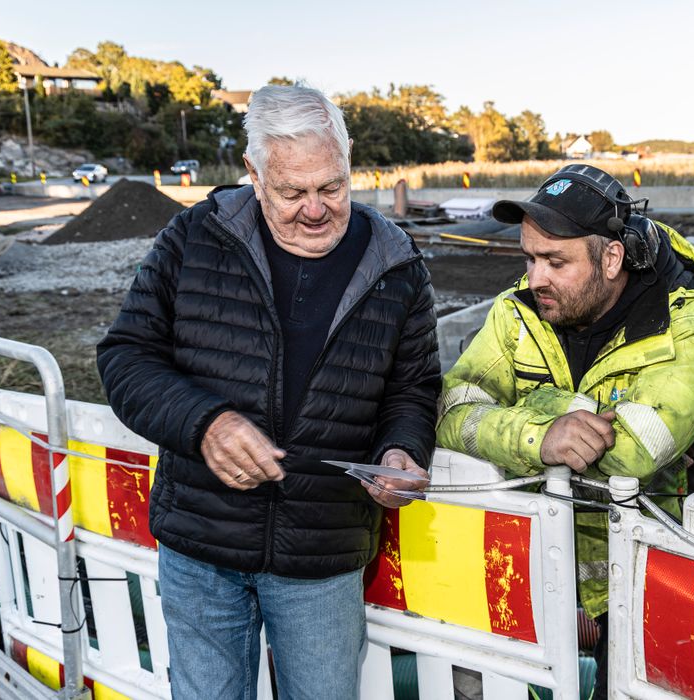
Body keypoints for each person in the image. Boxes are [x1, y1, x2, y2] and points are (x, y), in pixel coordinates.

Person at [97, 85, 440, 698]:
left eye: (332, 187)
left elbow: (412, 387)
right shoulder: (193, 238)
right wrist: (206, 424)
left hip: (323, 553)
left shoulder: (396, 263)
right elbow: (126, 358)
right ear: (253, 174)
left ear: (348, 159)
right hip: (202, 546)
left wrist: (401, 450)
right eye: (292, 192)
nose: (316, 209)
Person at [436, 164, 694, 696]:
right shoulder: (516, 312)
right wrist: (541, 432)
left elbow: (635, 453)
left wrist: (528, 405)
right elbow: (451, 408)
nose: (534, 277)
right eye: (529, 258)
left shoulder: (685, 328)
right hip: (528, 568)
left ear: (611, 258)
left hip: (643, 584)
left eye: (554, 261)